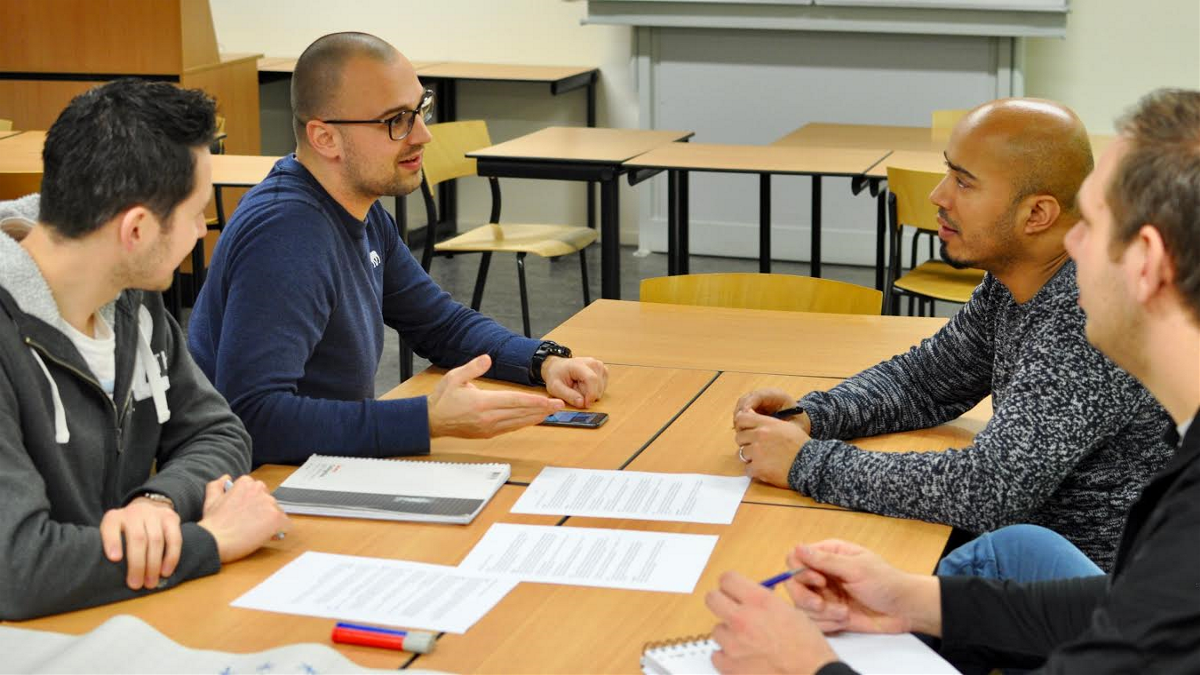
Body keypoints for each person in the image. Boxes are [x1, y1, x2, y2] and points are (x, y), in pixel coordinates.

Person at [706, 87, 1200, 674]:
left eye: (1091, 222)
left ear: (1145, 262)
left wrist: (812, 669)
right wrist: (815, 417)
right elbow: (930, 378)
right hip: (1057, 564)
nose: (1072, 242)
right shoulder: (1015, 286)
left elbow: (995, 486)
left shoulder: (1074, 322)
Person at [188, 32, 608, 466]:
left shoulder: (357, 208)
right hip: (259, 487)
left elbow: (440, 325)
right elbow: (254, 420)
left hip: (319, 469)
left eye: (420, 110)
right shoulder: (287, 233)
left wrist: (542, 362)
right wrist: (426, 420)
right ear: (324, 138)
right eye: (396, 120)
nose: (422, 135)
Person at [0, 79, 290, 620]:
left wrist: (157, 504)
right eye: (195, 212)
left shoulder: (128, 295)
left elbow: (218, 431)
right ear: (136, 228)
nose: (204, 232)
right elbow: (17, 570)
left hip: (110, 613)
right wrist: (208, 541)